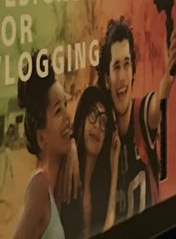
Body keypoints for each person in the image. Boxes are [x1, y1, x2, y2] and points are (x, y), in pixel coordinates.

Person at [97, 17, 176, 222]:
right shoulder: (101, 132)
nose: (122, 77)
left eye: (127, 64)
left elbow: (158, 101)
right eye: (116, 67)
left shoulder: (141, 113)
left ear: (133, 70)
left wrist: (168, 78)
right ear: (106, 80)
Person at [14, 52, 72, 239]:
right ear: (41, 138)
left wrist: (72, 147)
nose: (68, 117)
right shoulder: (39, 186)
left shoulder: (56, 181)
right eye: (58, 111)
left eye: (66, 105)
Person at [60, 86, 120, 239]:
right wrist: (71, 145)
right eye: (93, 114)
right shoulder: (66, 172)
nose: (97, 125)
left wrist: (115, 170)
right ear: (82, 119)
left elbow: (109, 227)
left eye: (104, 121)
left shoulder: (102, 184)